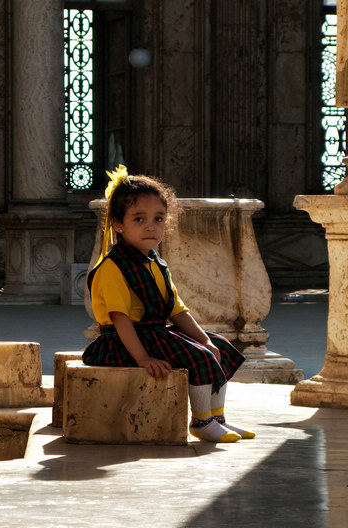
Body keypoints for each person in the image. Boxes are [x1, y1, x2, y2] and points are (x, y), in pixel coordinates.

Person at [82, 165, 255, 443]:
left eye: (159, 218)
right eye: (139, 219)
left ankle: (218, 416)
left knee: (218, 346)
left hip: (154, 333)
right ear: (118, 224)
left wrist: (204, 339)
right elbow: (120, 319)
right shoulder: (112, 267)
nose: (151, 226)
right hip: (123, 342)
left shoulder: (156, 263)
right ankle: (201, 422)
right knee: (198, 357)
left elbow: (176, 310)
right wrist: (143, 358)